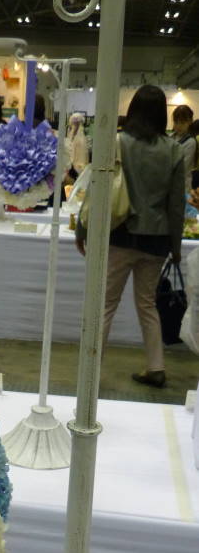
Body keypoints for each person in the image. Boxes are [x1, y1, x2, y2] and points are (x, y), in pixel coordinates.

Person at [76, 84, 185, 387]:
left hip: (120, 235)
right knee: (147, 304)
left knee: (105, 305)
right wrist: (176, 247)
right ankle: (156, 366)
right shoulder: (174, 150)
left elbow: (97, 189)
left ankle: (91, 370)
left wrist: (83, 228)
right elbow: (176, 205)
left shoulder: (116, 142)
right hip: (157, 239)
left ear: (133, 109)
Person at [171, 104, 195, 191]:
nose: (178, 126)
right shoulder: (170, 137)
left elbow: (182, 168)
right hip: (169, 186)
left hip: (182, 187)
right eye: (176, 122)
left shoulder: (191, 142)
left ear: (190, 121)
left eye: (182, 122)